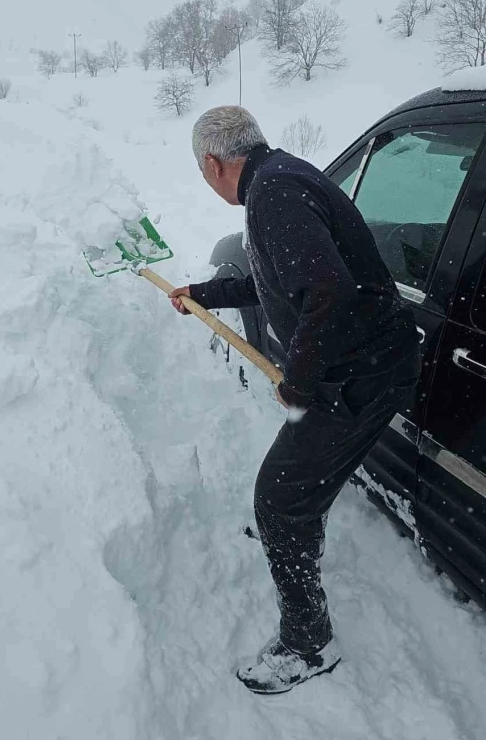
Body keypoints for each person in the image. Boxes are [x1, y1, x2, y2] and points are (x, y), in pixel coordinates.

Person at [169, 106, 421, 695]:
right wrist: (206, 293)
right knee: (299, 485)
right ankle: (298, 530)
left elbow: (324, 288)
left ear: (212, 162)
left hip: (358, 376)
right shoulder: (281, 178)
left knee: (277, 500)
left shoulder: (273, 194)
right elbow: (281, 277)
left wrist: (298, 383)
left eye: (201, 171)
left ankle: (308, 642)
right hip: (370, 363)